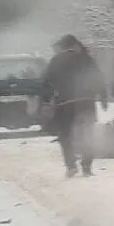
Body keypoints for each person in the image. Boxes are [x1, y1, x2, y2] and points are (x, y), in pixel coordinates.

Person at [41, 33, 105, 177]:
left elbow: (46, 83)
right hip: (86, 102)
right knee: (88, 134)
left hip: (65, 103)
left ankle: (71, 166)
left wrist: (45, 100)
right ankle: (87, 166)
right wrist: (103, 95)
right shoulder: (87, 59)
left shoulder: (56, 61)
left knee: (65, 135)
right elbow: (99, 78)